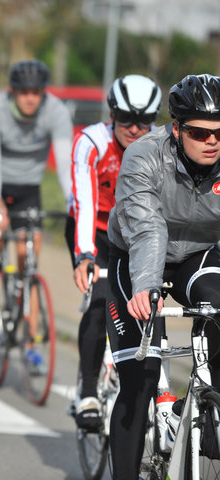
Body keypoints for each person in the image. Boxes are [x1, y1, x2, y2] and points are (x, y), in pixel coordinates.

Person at [105, 73, 220, 479]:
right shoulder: (144, 154)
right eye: (199, 132)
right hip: (134, 254)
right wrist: (146, 286)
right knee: (141, 378)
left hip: (198, 254)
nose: (212, 141)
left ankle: (208, 408)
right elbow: (147, 227)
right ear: (176, 129)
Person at [67, 75, 161, 430]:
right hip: (96, 230)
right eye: (126, 120)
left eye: (144, 121)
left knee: (151, 304)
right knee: (100, 299)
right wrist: (85, 256)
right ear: (112, 114)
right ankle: (87, 391)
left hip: (138, 232)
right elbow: (85, 203)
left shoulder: (160, 143)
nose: (135, 129)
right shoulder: (92, 141)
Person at [0, 58, 73, 371]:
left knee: (29, 262)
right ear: (12, 91)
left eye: (37, 92)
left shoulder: (56, 111)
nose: (31, 98)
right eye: (24, 92)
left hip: (29, 186)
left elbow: (66, 163)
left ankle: (31, 344)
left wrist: (74, 202)